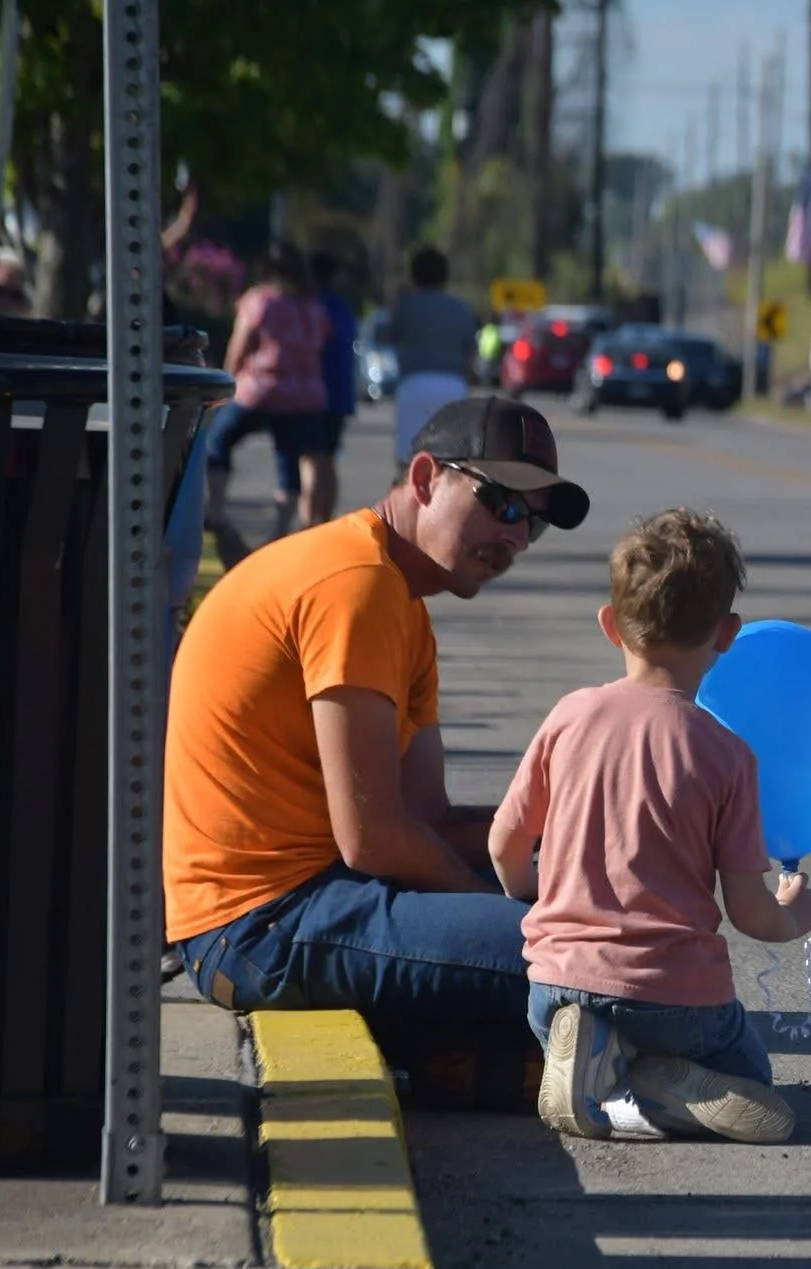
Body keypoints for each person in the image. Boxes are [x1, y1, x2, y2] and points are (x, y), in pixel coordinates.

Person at [166, 397, 591, 1064]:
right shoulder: (354, 586)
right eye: (504, 504)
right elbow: (373, 839)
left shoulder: (402, 608)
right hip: (256, 925)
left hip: (310, 897)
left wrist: (567, 838)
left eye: (532, 526)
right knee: (574, 952)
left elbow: (424, 819)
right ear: (425, 478)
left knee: (586, 906)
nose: (514, 537)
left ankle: (472, 1063)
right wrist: (498, 904)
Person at [490, 509, 811, 1145]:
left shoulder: (569, 717)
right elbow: (750, 912)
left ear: (610, 624)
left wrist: (535, 897)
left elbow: (504, 845)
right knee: (750, 1077)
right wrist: (792, 916)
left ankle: (600, 1061)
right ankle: (649, 1083)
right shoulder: (726, 755)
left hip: (557, 985)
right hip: (680, 1005)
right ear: (728, 634)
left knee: (576, 1014)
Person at [200, 241, 333, 555]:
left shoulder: (260, 302)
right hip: (303, 395)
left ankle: (216, 509)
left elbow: (240, 346)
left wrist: (225, 380)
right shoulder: (314, 307)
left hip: (260, 390)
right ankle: (280, 530)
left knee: (218, 440)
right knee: (289, 459)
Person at [391, 246, 479, 478]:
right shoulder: (461, 308)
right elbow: (471, 353)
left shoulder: (406, 305)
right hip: (452, 384)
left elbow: (389, 336)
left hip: (415, 384)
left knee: (408, 460)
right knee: (451, 460)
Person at [308, 251, 362, 527]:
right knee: (328, 459)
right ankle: (325, 520)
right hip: (340, 394)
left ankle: (309, 524)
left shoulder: (310, 306)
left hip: (312, 393)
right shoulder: (343, 307)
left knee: (310, 460)